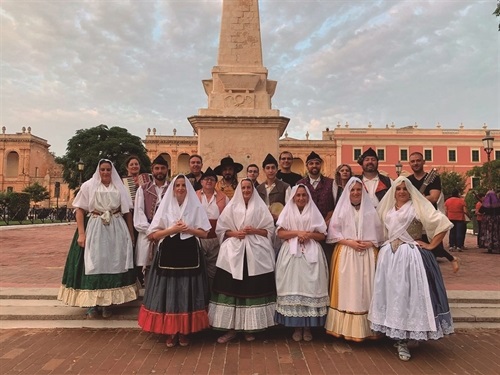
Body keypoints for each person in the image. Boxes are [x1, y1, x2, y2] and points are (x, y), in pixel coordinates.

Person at [368, 177, 454, 362]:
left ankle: (407, 337)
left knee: (410, 295)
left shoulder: (418, 207)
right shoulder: (388, 210)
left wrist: (432, 245)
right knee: (393, 296)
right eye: (398, 189)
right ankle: (398, 337)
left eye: (404, 189)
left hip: (410, 256)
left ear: (410, 191)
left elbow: (443, 223)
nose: (401, 192)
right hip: (389, 257)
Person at [58, 159, 138, 318]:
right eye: (103, 169)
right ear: (98, 170)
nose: (106, 172)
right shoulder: (88, 185)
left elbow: (127, 211)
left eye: (108, 169)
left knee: (115, 261)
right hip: (95, 226)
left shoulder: (119, 186)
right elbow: (80, 210)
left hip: (116, 227)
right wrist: (81, 233)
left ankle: (108, 303)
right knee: (95, 262)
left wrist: (130, 233)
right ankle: (93, 303)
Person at [138, 175, 211, 348]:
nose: (180, 188)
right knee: (169, 292)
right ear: (172, 188)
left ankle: (184, 331)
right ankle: (171, 331)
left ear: (188, 188)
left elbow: (205, 233)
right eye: (177, 185)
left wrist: (188, 229)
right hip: (168, 254)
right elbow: (152, 235)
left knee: (187, 291)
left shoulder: (195, 206)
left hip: (190, 253)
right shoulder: (165, 206)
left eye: (183, 185)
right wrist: (172, 229)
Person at [209, 179, 276, 343]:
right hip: (234, 254)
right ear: (240, 189)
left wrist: (254, 230)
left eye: (249, 187)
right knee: (231, 289)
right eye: (244, 187)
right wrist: (234, 234)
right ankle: (231, 329)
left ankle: (249, 328)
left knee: (251, 289)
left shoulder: (260, 207)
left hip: (256, 253)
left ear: (253, 189)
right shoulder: (231, 206)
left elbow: (269, 230)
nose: (246, 190)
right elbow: (221, 229)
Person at [325, 177, 383, 342]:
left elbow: (380, 235)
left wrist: (370, 242)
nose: (356, 192)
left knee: (366, 292)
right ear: (347, 192)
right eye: (352, 190)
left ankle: (367, 329)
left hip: (367, 255)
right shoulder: (341, 210)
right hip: (347, 254)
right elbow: (333, 233)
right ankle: (344, 329)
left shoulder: (370, 211)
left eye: (358, 189)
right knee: (348, 291)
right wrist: (349, 242)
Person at [275, 184, 329, 342]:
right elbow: (280, 233)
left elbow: (322, 235)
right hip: (291, 254)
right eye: (298, 195)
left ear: (308, 197)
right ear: (293, 197)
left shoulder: (313, 211)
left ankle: (308, 327)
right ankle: (296, 327)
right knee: (293, 286)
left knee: (311, 287)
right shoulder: (288, 211)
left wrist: (308, 235)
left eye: (304, 195)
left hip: (311, 253)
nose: (301, 198)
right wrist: (297, 233)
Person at [407, 152, 459, 272]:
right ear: (409, 163)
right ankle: (451, 259)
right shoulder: (408, 180)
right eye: (413, 161)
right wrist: (424, 198)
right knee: (418, 242)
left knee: (431, 242)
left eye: (418, 160)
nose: (415, 163)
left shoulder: (433, 178)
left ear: (424, 161)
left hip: (428, 215)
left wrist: (415, 199)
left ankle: (445, 262)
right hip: (413, 216)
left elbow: (434, 197)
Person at [133, 155, 169, 286]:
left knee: (166, 267)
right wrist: (151, 232)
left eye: (163, 168)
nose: (160, 171)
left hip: (167, 234)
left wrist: (164, 231)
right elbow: (139, 212)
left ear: (167, 169)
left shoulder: (172, 188)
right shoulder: (143, 189)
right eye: (157, 168)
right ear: (152, 170)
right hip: (147, 234)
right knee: (148, 268)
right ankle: (149, 298)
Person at [297, 151, 335, 265]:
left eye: (317, 163)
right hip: (306, 230)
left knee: (326, 261)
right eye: (311, 163)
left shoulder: (331, 183)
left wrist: (324, 224)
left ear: (320, 165)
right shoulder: (300, 184)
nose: (314, 166)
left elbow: (334, 206)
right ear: (307, 166)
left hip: (326, 229)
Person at [196, 167, 230, 291]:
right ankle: (200, 295)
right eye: (206, 179)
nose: (209, 181)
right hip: (198, 237)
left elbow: (227, 217)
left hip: (216, 238)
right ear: (201, 182)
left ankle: (211, 295)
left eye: (212, 179)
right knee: (199, 266)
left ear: (216, 182)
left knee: (213, 268)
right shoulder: (194, 196)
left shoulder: (224, 198)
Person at [480, 189, 500, 253]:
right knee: (496, 232)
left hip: (487, 220)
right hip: (496, 220)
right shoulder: (498, 204)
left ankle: (489, 246)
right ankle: (496, 245)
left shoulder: (485, 204)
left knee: (488, 232)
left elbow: (480, 211)